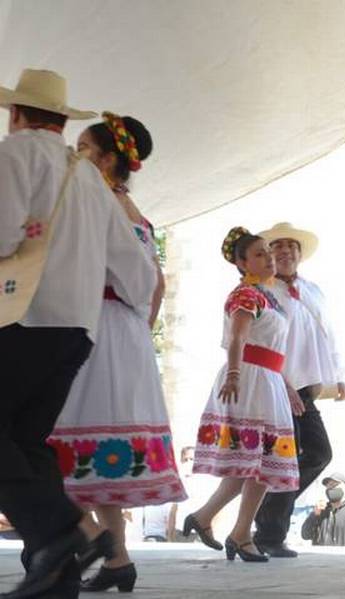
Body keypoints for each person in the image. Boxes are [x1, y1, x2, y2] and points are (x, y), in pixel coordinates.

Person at [0, 68, 157, 598]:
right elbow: (136, 270)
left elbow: (1, 234)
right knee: (27, 442)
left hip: (21, 318)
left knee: (15, 439)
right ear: (62, 121)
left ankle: (60, 533)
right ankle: (58, 570)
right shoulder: (86, 176)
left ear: (16, 114)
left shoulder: (13, 154)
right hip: (78, 331)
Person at [46, 112, 186, 593]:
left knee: (55, 443)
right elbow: (157, 284)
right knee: (98, 451)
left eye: (84, 146)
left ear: (106, 158)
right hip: (124, 334)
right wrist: (138, 334)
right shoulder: (133, 209)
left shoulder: (98, 200)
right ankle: (116, 560)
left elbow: (139, 279)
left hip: (96, 327)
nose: (76, 153)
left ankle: (89, 540)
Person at [185, 228, 300, 563]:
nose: (269, 258)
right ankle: (237, 532)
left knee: (256, 463)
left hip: (268, 380)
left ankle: (219, 523)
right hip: (250, 378)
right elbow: (238, 338)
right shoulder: (246, 294)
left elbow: (274, 349)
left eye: (268, 252)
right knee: (254, 461)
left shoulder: (269, 296)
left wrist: (288, 387)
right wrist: (234, 374)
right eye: (260, 254)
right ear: (242, 262)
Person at [253, 222, 345, 558]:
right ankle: (269, 533)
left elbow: (326, 333)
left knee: (319, 453)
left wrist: (337, 376)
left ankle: (267, 516)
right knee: (284, 459)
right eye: (277, 247)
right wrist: (282, 382)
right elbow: (264, 340)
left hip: (306, 386)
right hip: (279, 385)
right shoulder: (264, 291)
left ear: (299, 254)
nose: (285, 252)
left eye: (291, 247)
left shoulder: (312, 290)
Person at [300, 472, 345, 547]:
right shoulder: (322, 510)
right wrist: (314, 515)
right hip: (321, 557)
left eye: (335, 484)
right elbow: (305, 535)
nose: (331, 488)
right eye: (329, 485)